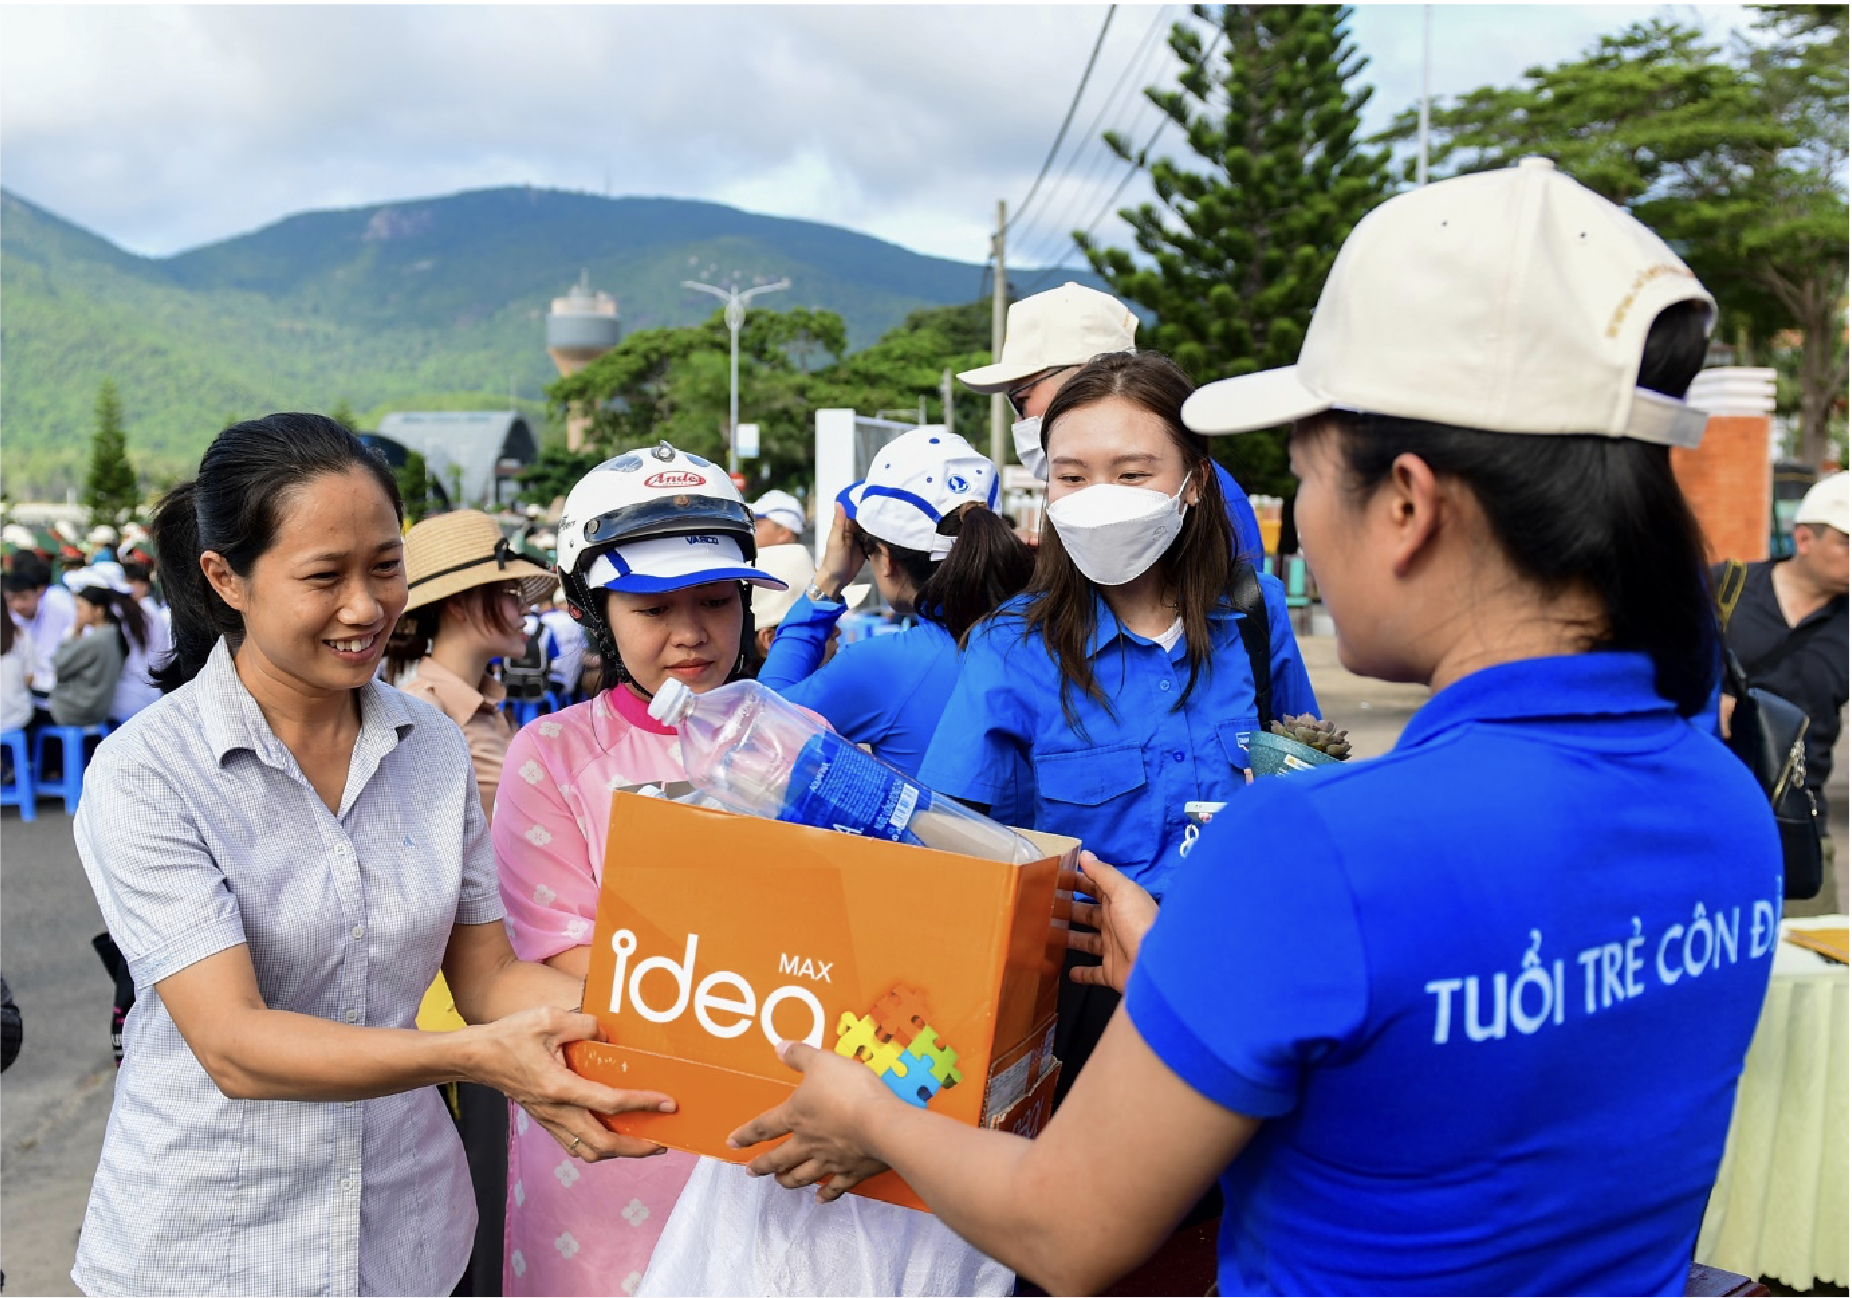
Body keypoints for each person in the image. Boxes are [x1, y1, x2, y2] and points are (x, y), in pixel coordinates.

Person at [730, 158, 1781, 1298]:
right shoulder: (1723, 798)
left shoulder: (1309, 853)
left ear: (1406, 504)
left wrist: (870, 1114)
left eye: (1302, 477)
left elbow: (1067, 1230)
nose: (1292, 531)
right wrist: (1186, 969)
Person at [70, 413, 679, 1297]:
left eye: (386, 567)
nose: (365, 608)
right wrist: (474, 1057)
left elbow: (488, 978)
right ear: (226, 578)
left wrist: (692, 1019)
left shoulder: (430, 745)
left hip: (409, 1238)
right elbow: (235, 1044)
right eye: (325, 577)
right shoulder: (150, 771)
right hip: (215, 1249)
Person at [493, 440, 1009, 1297]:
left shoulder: (802, 735)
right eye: (652, 608)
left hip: (779, 1153)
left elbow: (869, 919)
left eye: (716, 600)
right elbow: (562, 960)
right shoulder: (552, 754)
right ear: (593, 610)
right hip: (624, 1150)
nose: (691, 633)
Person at [919, 350, 1317, 1112]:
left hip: (1246, 988)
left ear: (1194, 481)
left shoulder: (1256, 614)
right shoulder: (1009, 647)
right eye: (1071, 476)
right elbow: (954, 855)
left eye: (1132, 474)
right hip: (1087, 1012)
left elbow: (1305, 783)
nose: (1099, 498)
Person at [758, 426, 1033, 778]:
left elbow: (760, 731)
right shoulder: (1054, 632)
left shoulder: (882, 665)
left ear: (886, 558)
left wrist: (827, 579)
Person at [957, 280, 1267, 563]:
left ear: (1089, 378)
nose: (1019, 420)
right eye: (1072, 478)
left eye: (1021, 399)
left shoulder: (1205, 496)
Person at [1718, 470, 1848, 904]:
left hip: (1798, 822)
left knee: (1817, 945)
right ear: (1805, 539)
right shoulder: (1726, 588)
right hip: (1710, 813)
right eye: (1847, 542)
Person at [389, 509, 555, 814]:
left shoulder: (480, 705)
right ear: (459, 605)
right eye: (510, 593)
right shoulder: (426, 711)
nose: (524, 609)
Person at [50, 585, 141, 728]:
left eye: (80, 608)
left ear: (98, 610)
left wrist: (74, 633)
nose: (77, 614)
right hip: (99, 709)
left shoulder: (96, 640)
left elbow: (58, 665)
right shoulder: (113, 633)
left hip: (77, 710)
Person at [4, 553, 75, 721]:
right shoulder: (11, 618)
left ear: (39, 593)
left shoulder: (58, 603)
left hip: (60, 686)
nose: (18, 605)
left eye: (23, 598)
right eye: (13, 599)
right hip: (32, 690)